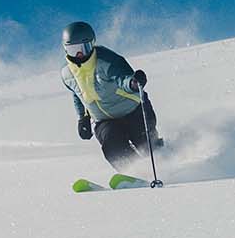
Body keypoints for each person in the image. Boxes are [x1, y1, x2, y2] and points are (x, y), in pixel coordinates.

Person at [60, 20, 161, 185]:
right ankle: (138, 174)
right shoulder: (66, 74)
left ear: (92, 44)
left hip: (133, 110)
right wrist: (82, 118)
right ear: (65, 49)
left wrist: (133, 83)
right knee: (113, 148)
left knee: (146, 144)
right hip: (104, 120)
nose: (79, 54)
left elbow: (123, 78)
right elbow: (77, 94)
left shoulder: (107, 61)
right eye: (73, 49)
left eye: (83, 48)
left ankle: (170, 165)